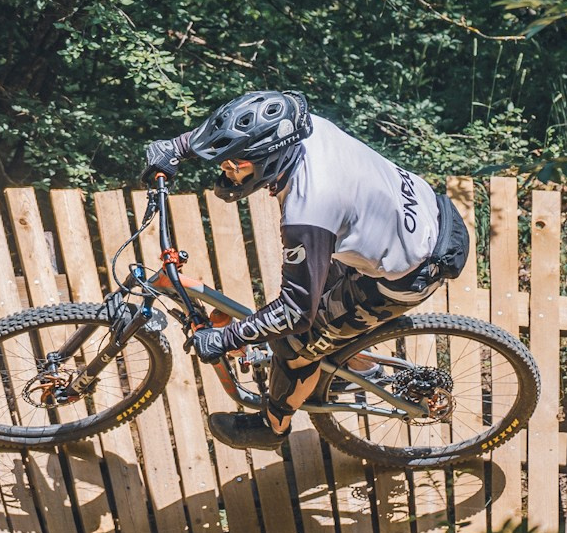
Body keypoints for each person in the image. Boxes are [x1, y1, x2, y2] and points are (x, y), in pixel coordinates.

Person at [142, 90, 470, 451]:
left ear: (268, 159)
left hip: (407, 272)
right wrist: (179, 145)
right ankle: (353, 368)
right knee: (322, 320)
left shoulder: (309, 208)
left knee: (293, 344)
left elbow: (295, 313)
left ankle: (272, 427)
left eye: (235, 164)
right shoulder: (298, 127)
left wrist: (225, 339)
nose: (227, 170)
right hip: (417, 216)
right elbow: (235, 127)